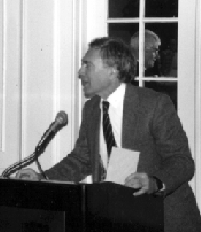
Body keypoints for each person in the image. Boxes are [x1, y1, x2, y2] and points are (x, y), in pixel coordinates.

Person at [16, 37, 201, 232]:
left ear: (112, 70)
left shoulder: (154, 104)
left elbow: (182, 161)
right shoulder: (92, 109)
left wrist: (154, 182)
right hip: (121, 219)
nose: (80, 72)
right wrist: (42, 177)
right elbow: (81, 160)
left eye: (87, 65)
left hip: (167, 220)